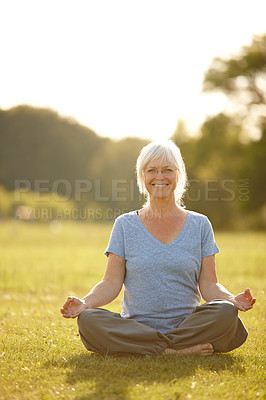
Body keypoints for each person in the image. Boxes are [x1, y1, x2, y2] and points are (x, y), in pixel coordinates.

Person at [61, 140, 256, 356]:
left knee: (226, 311)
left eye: (167, 170)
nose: (160, 177)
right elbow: (110, 283)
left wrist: (232, 300)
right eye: (152, 170)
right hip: (136, 328)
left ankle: (149, 348)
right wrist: (84, 303)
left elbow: (210, 285)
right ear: (142, 176)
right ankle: (174, 351)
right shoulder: (125, 225)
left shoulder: (200, 225)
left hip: (188, 327)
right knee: (88, 319)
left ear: (178, 175)